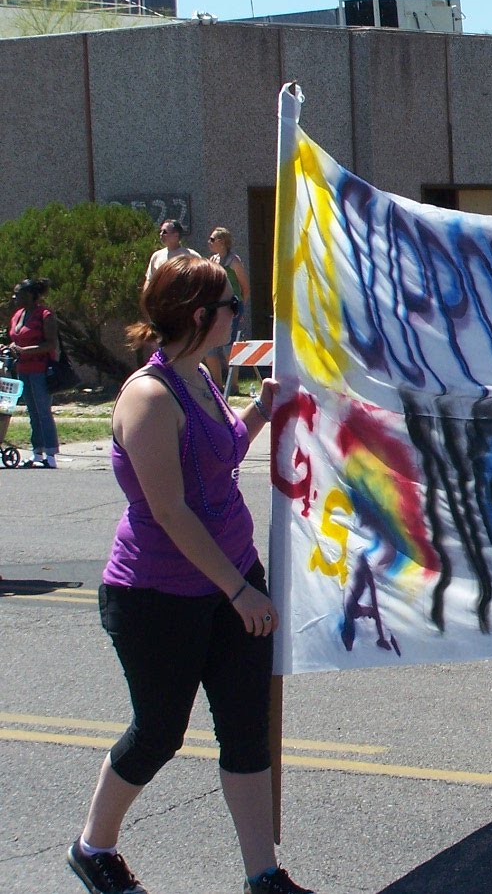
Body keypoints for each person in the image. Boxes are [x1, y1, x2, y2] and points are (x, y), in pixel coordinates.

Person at [68, 256, 314, 894]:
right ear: (202, 315)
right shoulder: (148, 397)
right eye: (230, 303)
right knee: (158, 733)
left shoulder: (201, 377)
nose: (238, 314)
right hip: (157, 596)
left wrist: (260, 411)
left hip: (233, 581)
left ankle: (264, 875)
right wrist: (237, 592)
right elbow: (170, 510)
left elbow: (223, 452)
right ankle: (94, 847)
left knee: (245, 727)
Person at [8, 277, 60, 469]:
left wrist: (25, 351)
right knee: (32, 411)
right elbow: (16, 338)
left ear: (30, 295)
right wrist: (13, 348)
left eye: (18, 294)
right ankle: (37, 453)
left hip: (41, 370)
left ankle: (51, 454)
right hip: (23, 369)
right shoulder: (18, 315)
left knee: (43, 411)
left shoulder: (45, 315)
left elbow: (50, 344)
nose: (15, 297)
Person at [206, 226, 251, 391]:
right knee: (209, 347)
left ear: (222, 241)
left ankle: (233, 385)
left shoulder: (234, 261)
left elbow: (245, 289)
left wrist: (240, 310)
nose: (209, 243)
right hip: (214, 309)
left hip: (231, 308)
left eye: (212, 239)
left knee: (228, 348)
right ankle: (217, 384)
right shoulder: (212, 260)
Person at [143, 219, 200, 288]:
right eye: (160, 231)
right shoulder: (156, 256)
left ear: (176, 235)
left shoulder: (192, 256)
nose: (161, 234)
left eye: (164, 232)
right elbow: (149, 280)